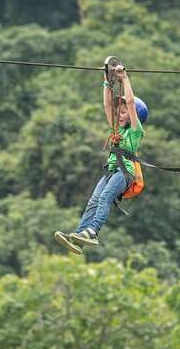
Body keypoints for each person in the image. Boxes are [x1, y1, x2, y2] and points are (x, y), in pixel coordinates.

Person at [54, 64, 146, 255]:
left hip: (125, 172)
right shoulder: (116, 129)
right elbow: (106, 105)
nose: (118, 115)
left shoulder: (136, 131)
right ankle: (79, 236)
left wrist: (125, 79)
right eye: (118, 112)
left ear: (133, 116)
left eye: (122, 113)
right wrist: (106, 81)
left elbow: (130, 102)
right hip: (111, 171)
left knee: (105, 197)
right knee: (93, 200)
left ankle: (93, 232)